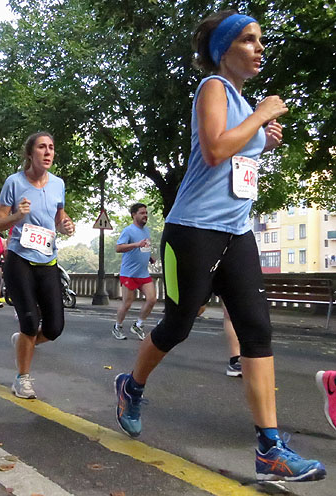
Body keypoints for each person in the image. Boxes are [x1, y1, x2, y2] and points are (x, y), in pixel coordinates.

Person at [114, 11, 326, 483]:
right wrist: (261, 117)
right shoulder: (213, 88)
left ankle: (270, 447)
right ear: (223, 50)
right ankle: (131, 386)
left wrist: (262, 143)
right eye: (248, 40)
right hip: (193, 230)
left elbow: (234, 160)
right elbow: (214, 149)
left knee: (257, 330)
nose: (259, 47)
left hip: (236, 232)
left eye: (260, 40)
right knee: (178, 325)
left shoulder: (243, 103)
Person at [0, 131, 75, 399]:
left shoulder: (58, 184)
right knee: (29, 321)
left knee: (54, 328)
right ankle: (22, 378)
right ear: (30, 153)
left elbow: (59, 216)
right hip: (19, 259)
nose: (48, 152)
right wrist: (18, 215)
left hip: (47, 259)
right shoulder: (14, 183)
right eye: (41, 147)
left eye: (51, 147)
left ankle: (23, 343)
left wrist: (65, 224)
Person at [112, 203, 157, 341]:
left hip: (143, 273)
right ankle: (117, 327)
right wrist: (136, 244)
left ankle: (138, 325)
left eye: (146, 213)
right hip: (129, 274)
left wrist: (149, 257)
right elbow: (118, 248)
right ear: (134, 215)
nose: (145, 215)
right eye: (142, 213)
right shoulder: (128, 231)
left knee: (152, 299)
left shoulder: (146, 231)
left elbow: (144, 247)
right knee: (127, 303)